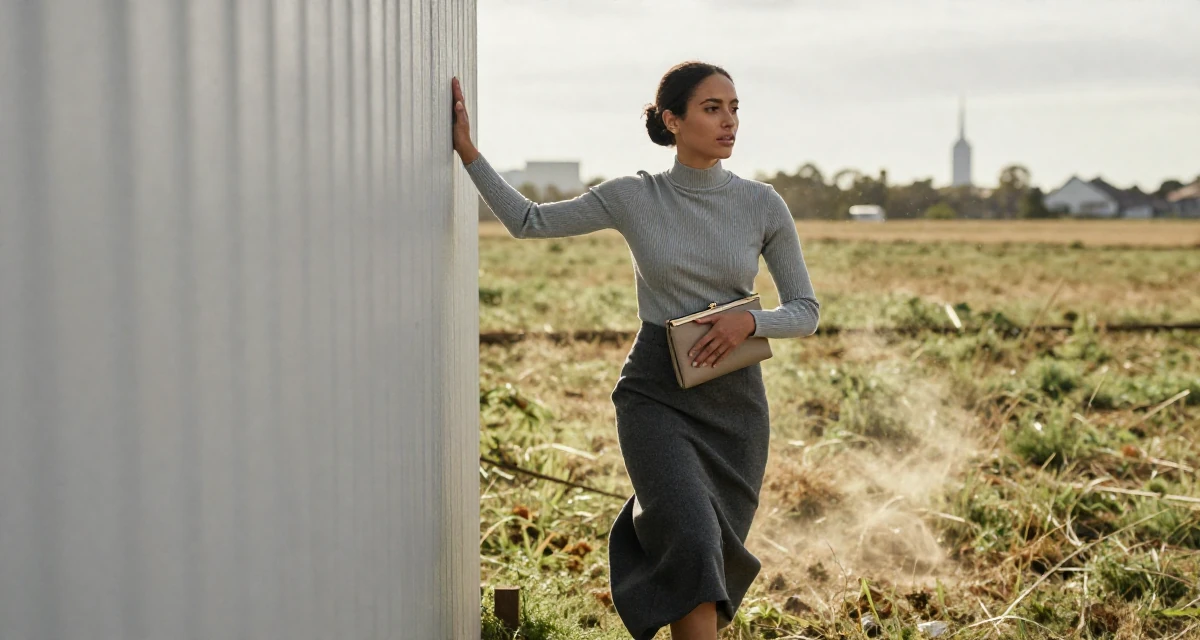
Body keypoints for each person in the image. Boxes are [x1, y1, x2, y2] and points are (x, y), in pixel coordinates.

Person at [451, 61, 820, 640]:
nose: (729, 122)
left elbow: (806, 311)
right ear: (672, 120)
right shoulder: (633, 197)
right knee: (694, 540)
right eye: (712, 108)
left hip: (735, 408)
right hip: (655, 395)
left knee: (710, 554)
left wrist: (750, 321)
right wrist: (470, 153)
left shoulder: (763, 204)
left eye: (734, 108)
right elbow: (527, 221)